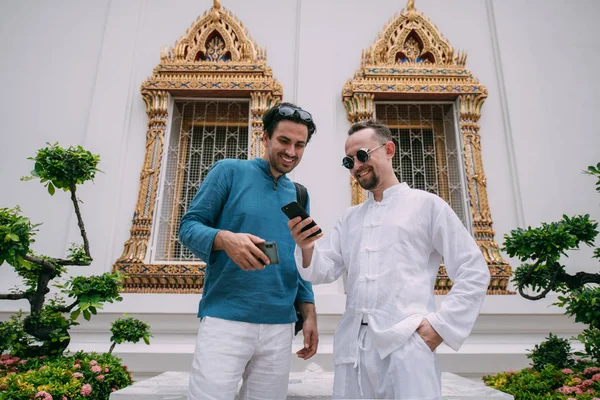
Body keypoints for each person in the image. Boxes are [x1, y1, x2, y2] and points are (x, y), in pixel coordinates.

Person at [288, 120, 490, 399]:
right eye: (349, 161)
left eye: (362, 155)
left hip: (408, 344)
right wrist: (306, 245)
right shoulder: (350, 218)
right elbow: (323, 271)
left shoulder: (427, 205)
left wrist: (439, 328)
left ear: (389, 149)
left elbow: (474, 269)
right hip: (353, 348)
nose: (357, 166)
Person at [179, 102, 319, 400]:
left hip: (280, 325)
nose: (291, 152)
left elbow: (298, 256)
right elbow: (188, 227)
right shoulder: (229, 171)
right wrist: (225, 238)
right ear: (265, 137)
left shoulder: (299, 194)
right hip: (225, 319)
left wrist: (308, 312)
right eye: (284, 141)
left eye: (300, 145)